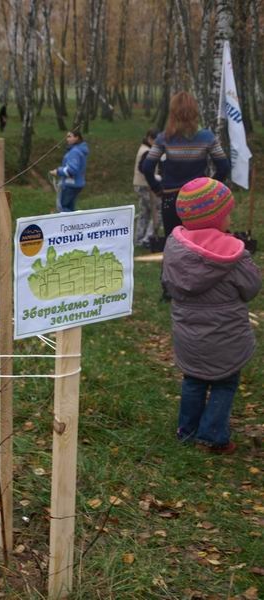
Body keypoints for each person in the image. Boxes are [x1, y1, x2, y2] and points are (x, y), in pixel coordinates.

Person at [163, 177, 262, 454]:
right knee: (225, 383)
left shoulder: (175, 247)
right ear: (217, 218)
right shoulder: (234, 255)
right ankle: (212, 436)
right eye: (227, 213)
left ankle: (187, 431)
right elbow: (251, 288)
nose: (230, 218)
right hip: (226, 337)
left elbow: (168, 283)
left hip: (189, 336)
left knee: (193, 380)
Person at [142, 91, 229, 240]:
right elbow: (224, 167)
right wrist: (210, 187)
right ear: (195, 111)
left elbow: (147, 167)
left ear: (172, 113)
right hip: (199, 199)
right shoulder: (207, 137)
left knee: (174, 243)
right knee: (200, 242)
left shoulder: (163, 138)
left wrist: (157, 189)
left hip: (171, 199)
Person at [133, 128, 161, 247]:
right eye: (156, 141)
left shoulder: (143, 148)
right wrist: (156, 177)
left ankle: (139, 238)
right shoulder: (148, 151)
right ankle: (148, 238)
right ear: (150, 138)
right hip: (146, 185)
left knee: (144, 212)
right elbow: (143, 168)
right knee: (158, 211)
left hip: (139, 184)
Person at [49, 130, 89, 212]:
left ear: (77, 137)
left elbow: (72, 170)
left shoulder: (74, 152)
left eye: (69, 136)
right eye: (67, 137)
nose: (67, 139)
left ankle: (74, 221)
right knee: (70, 209)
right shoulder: (80, 150)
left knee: (62, 208)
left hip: (70, 184)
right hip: (77, 184)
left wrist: (57, 171)